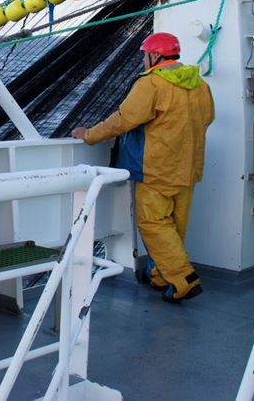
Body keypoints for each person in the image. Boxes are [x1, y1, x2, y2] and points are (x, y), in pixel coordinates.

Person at [72, 32, 214, 303]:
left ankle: (184, 279)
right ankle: (161, 276)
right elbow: (208, 118)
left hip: (157, 168)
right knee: (174, 225)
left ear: (155, 55)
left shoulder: (152, 84)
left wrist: (89, 134)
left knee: (153, 223)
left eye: (144, 55)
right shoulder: (199, 84)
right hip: (189, 166)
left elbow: (123, 120)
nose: (142, 60)